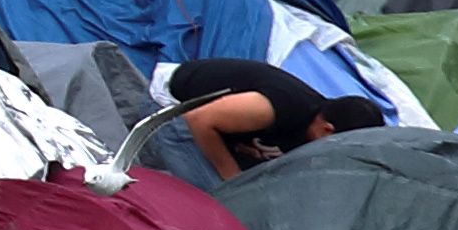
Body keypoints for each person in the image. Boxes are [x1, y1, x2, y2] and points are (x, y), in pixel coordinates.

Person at [166, 59, 388, 179]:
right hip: (173, 110)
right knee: (222, 204)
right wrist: (231, 178)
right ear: (328, 130)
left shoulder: (309, 131)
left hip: (219, 130)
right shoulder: (284, 106)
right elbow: (200, 119)